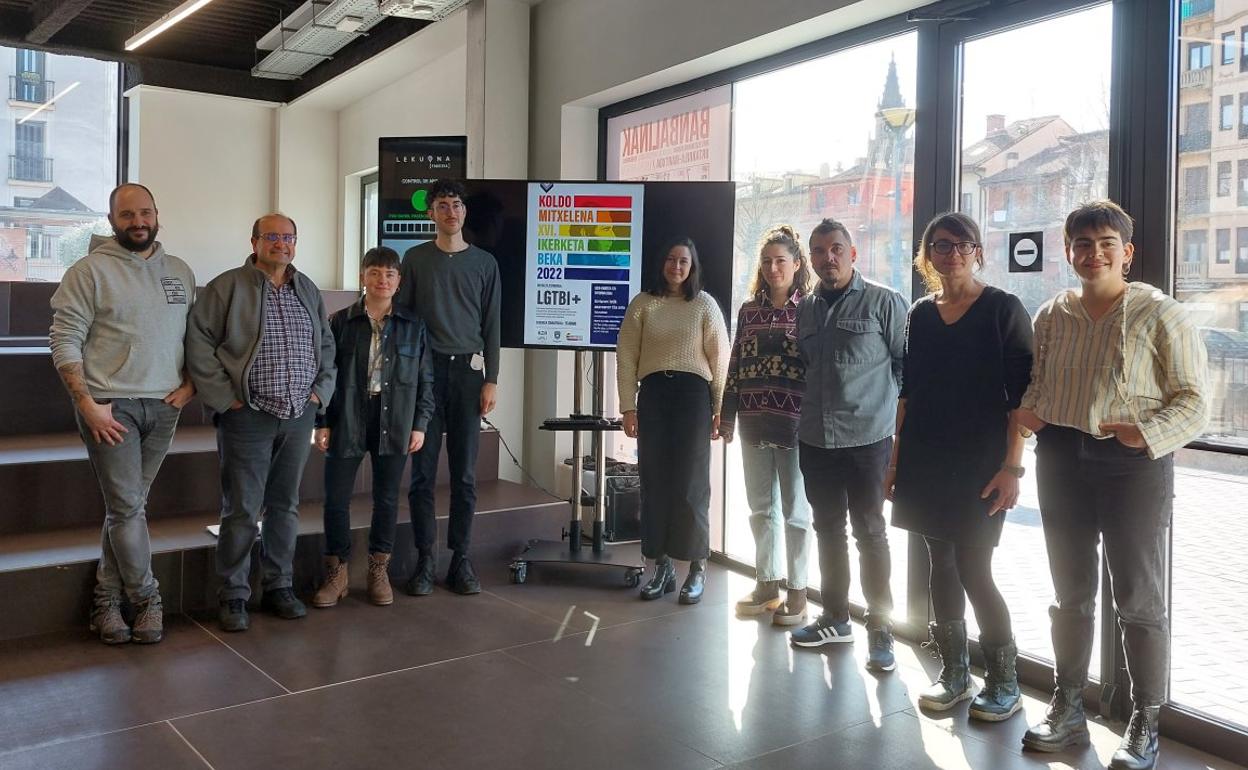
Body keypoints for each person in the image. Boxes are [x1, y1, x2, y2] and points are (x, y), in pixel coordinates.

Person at [1017, 201, 1207, 770]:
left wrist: (1145, 433)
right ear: (1068, 250)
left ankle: (1145, 721)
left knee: (1139, 599)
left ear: (1127, 252)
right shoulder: (1051, 313)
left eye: (1104, 243)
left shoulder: (1160, 312)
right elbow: (1038, 383)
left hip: (1135, 465)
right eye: (1081, 243)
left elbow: (1196, 402)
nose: (1091, 252)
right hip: (1060, 458)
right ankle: (1068, 704)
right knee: (1069, 593)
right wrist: (1025, 418)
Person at [884, 212, 1033, 720]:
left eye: (962, 244)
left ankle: (1005, 682)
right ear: (927, 256)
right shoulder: (921, 314)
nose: (952, 254)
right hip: (926, 455)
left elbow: (1021, 399)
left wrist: (1013, 467)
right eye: (941, 245)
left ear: (978, 251)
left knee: (975, 569)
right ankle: (954, 672)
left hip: (981, 461)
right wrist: (895, 462)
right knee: (938, 566)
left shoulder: (1003, 309)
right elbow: (910, 394)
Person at [49, 183, 196, 645]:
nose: (138, 222)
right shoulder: (89, 271)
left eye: (145, 212)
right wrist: (87, 404)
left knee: (125, 508)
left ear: (157, 215)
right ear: (112, 220)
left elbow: (193, 335)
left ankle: (105, 600)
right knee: (128, 507)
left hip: (166, 406)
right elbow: (64, 338)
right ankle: (147, 598)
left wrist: (191, 384)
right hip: (110, 408)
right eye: (127, 214)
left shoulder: (181, 271)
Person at [186, 213, 336, 633]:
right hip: (247, 416)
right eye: (272, 237)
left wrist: (319, 393)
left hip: (297, 415)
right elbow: (198, 341)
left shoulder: (305, 287)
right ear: (254, 242)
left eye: (289, 237)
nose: (281, 244)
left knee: (285, 507)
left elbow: (326, 343)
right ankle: (233, 595)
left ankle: (279, 586)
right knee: (242, 509)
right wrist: (224, 399)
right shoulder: (228, 286)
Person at [788, 218, 907, 673]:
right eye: (819, 251)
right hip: (815, 438)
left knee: (871, 534)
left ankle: (881, 629)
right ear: (812, 259)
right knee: (827, 530)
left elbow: (903, 367)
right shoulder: (807, 309)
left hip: (867, 441)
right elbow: (807, 364)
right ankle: (835, 617)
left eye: (836, 248)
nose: (827, 257)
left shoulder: (884, 302)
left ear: (852, 254)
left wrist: (879, 411)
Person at [312, 247, 435, 608]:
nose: (382, 280)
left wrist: (420, 424)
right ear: (363, 276)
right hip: (348, 414)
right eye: (375, 273)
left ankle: (378, 569)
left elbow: (426, 380)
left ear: (399, 282)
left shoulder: (414, 325)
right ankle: (337, 574)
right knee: (336, 499)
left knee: (386, 498)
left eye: (389, 275)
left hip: (395, 417)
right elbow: (326, 376)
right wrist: (324, 422)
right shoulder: (339, 322)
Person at [396, 179, 501, 597]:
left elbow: (493, 324)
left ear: (464, 212)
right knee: (422, 475)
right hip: (425, 376)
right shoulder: (415, 259)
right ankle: (425, 559)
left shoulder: (485, 263)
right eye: (442, 205)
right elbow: (404, 321)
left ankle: (461, 559)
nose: (450, 212)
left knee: (465, 474)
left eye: (456, 204)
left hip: (468, 375)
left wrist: (492, 377)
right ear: (431, 213)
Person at [617, 237, 729, 604]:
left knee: (691, 485)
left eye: (683, 261)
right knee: (654, 482)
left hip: (693, 399)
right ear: (661, 264)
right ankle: (661, 567)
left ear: (692, 266)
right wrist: (627, 407)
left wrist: (719, 409)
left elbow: (720, 360)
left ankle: (696, 569)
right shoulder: (642, 305)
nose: (676, 266)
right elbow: (626, 358)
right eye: (670, 259)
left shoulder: (705, 305)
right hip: (653, 398)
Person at [720, 224, 813, 626]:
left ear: (796, 264)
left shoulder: (811, 308)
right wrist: (726, 417)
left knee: (796, 513)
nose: (774, 268)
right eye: (767, 261)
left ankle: (799, 591)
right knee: (760, 510)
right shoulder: (748, 310)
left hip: (796, 423)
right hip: (753, 422)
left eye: (781, 261)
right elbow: (736, 364)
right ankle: (766, 583)